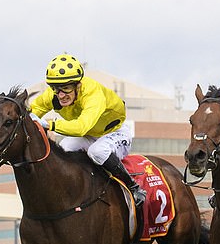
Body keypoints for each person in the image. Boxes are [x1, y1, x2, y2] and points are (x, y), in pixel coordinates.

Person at [29, 53, 146, 206]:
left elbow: (81, 127)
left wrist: (49, 124)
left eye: (66, 89)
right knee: (63, 149)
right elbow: (33, 111)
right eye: (57, 90)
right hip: (90, 134)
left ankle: (133, 187)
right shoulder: (53, 95)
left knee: (97, 151)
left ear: (78, 85)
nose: (61, 95)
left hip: (114, 133)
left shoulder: (93, 94)